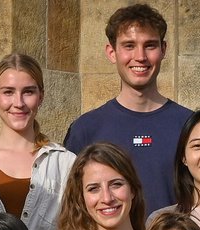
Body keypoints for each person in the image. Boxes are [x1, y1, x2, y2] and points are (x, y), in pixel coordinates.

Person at [64, 3, 192, 215]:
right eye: (129, 46)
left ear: (163, 50)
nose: (140, 56)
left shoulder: (189, 125)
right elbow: (72, 208)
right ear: (112, 52)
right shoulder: (86, 129)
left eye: (150, 45)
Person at [0, 53, 76, 230]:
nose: (18, 102)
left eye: (28, 92)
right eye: (8, 92)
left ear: (41, 96)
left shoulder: (65, 163)